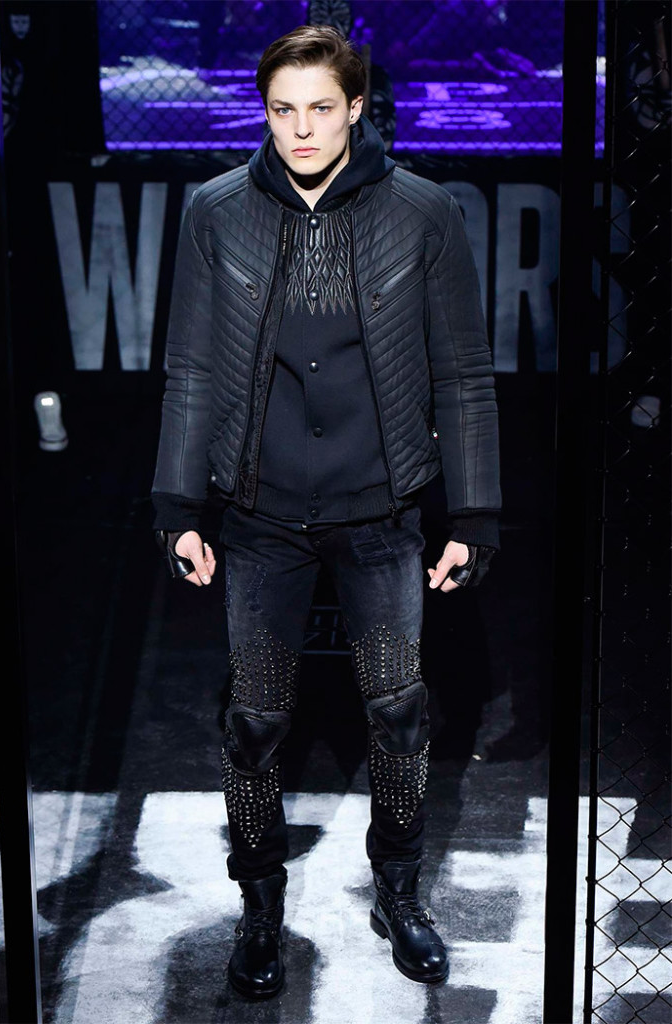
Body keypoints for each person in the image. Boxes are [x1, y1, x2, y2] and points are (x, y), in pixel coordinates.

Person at [151, 24, 501, 999]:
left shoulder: (422, 212)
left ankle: (399, 890)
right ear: (264, 114)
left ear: (354, 108)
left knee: (398, 712)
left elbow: (463, 375)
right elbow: (190, 368)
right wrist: (177, 503)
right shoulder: (216, 211)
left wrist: (473, 513)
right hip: (258, 511)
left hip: (379, 507)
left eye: (319, 108)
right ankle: (259, 905)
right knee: (255, 719)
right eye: (282, 110)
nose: (300, 129)